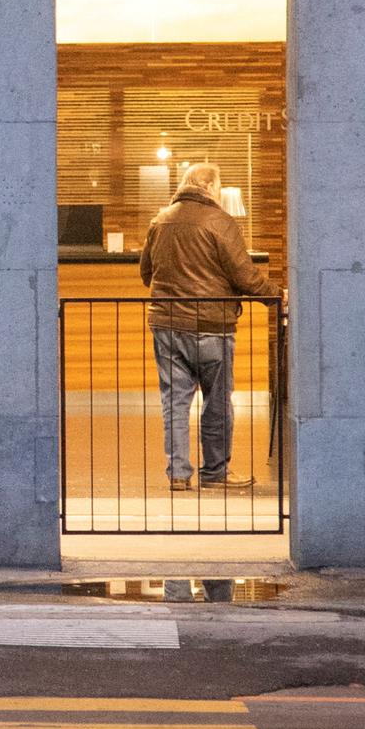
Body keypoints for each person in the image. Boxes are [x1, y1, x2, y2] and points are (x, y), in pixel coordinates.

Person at [139, 162, 276, 491]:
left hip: (167, 323)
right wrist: (276, 295)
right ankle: (215, 472)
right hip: (212, 325)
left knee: (174, 400)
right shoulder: (220, 222)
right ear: (211, 187)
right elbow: (245, 276)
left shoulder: (160, 220)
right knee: (217, 400)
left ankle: (178, 473)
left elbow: (147, 274)